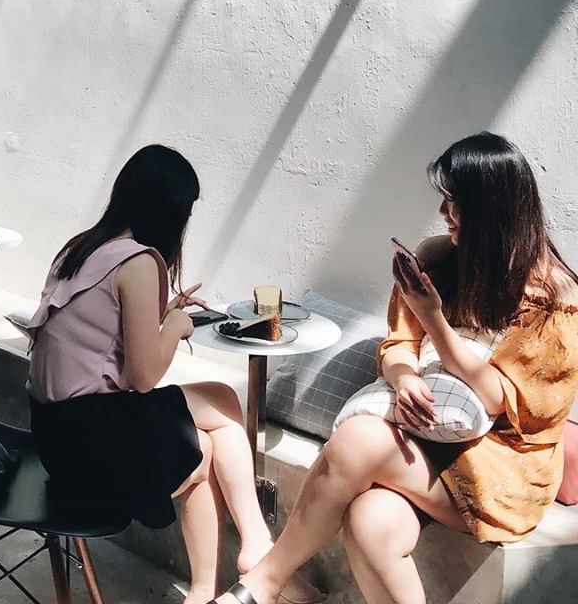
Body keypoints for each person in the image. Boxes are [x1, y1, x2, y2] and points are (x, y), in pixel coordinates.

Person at [212, 132, 578, 604]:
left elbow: (498, 400)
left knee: (360, 439)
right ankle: (265, 580)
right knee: (372, 523)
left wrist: (434, 319)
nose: (444, 212)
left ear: (492, 210)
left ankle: (263, 581)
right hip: (425, 432)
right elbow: (399, 344)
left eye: (455, 202)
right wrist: (404, 377)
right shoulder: (438, 259)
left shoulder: (556, 301)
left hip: (497, 462)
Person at [26, 145, 324, 604]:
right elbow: (143, 377)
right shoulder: (138, 262)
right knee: (219, 412)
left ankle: (212, 584)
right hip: (89, 441)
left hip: (53, 435)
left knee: (208, 436)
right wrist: (177, 325)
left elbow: (98, 336)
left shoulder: (81, 248)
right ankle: (255, 552)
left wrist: (159, 316)